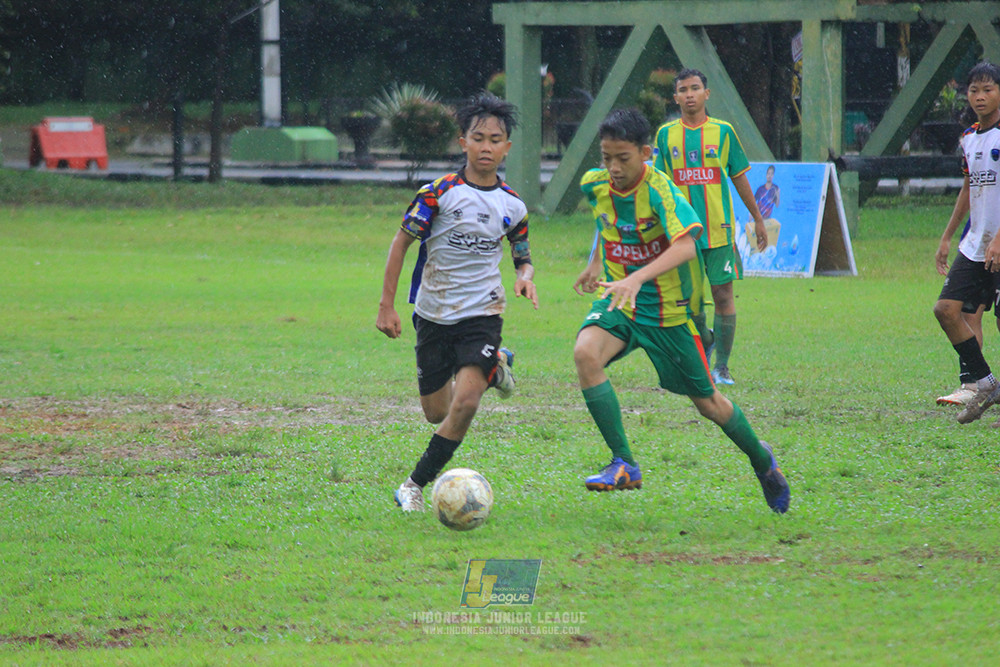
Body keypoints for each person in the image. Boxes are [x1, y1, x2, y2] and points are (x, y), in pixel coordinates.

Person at [572, 107, 789, 514]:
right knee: (585, 352)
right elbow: (608, 223)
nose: (614, 168)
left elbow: (687, 245)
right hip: (621, 302)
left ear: (646, 153)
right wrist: (597, 261)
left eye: (624, 158)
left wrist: (637, 278)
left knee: (708, 404)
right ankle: (625, 463)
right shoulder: (594, 185)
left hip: (668, 312)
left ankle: (763, 462)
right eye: (607, 158)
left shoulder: (661, 190)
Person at [376, 93, 539, 511]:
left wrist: (525, 277)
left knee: (465, 404)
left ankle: (413, 484)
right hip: (432, 313)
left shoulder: (514, 205)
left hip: (483, 313)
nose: (486, 147)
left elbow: (523, 252)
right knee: (437, 412)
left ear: (507, 147)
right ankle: (495, 364)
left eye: (496, 139)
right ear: (462, 141)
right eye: (478, 137)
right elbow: (401, 244)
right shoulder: (437, 194)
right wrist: (387, 306)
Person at [654, 68, 768, 386]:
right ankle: (704, 339)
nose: (689, 94)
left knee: (723, 293)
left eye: (695, 88)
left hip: (718, 231)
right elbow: (659, 185)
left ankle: (722, 367)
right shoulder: (665, 136)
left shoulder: (724, 132)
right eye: (683, 89)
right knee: (689, 303)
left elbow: (740, 177)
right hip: (683, 234)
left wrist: (758, 220)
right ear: (675, 97)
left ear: (707, 94)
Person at [932, 60, 1000, 424]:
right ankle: (987, 383)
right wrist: (947, 236)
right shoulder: (969, 138)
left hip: (998, 245)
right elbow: (969, 187)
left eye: (988, 89)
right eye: (974, 90)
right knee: (946, 310)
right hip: (976, 245)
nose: (980, 96)